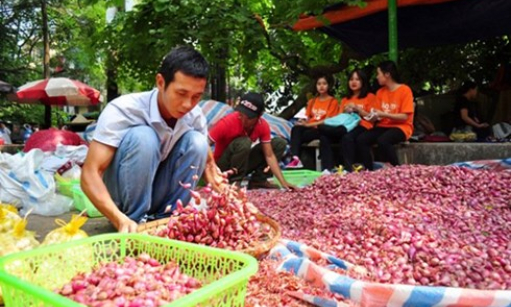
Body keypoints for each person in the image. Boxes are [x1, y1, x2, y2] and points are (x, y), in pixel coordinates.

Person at [81, 46, 225, 233]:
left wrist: (227, 197)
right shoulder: (123, 110)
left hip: (159, 195)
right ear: (160, 82)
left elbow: (208, 165)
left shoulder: (194, 116)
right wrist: (118, 218)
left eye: (196, 97)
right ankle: (134, 222)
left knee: (197, 141)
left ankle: (170, 221)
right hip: (122, 201)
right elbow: (90, 173)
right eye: (181, 94)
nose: (187, 105)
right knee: (144, 137)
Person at [209, 92, 296, 190]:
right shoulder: (227, 122)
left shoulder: (262, 125)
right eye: (242, 114)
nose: (244, 120)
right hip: (222, 167)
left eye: (249, 117)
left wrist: (283, 182)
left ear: (260, 115)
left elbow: (269, 155)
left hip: (242, 165)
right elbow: (204, 145)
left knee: (279, 143)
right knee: (244, 142)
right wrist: (209, 173)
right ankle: (234, 183)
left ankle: (258, 180)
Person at [356, 61, 414, 170]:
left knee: (383, 140)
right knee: (361, 139)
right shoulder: (380, 92)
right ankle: (369, 171)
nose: (377, 77)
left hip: (402, 127)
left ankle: (397, 170)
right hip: (383, 126)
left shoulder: (404, 90)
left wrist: (384, 114)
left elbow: (405, 117)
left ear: (387, 74)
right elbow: (378, 115)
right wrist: (373, 116)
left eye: (378, 73)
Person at [286, 75, 339, 168]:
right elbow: (308, 117)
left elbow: (329, 121)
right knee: (296, 129)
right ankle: (295, 158)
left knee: (322, 136)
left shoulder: (333, 101)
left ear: (329, 86)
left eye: (324, 84)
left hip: (322, 129)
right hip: (311, 129)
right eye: (319, 84)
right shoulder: (312, 101)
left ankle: (326, 166)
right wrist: (302, 121)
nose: (321, 86)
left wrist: (308, 125)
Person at [336, 69, 377, 171]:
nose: (353, 82)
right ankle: (347, 167)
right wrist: (345, 111)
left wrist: (358, 109)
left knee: (349, 138)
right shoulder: (345, 99)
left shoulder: (370, 97)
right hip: (348, 126)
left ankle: (353, 168)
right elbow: (340, 118)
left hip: (364, 125)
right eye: (351, 79)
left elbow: (372, 117)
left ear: (363, 81)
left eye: (357, 79)